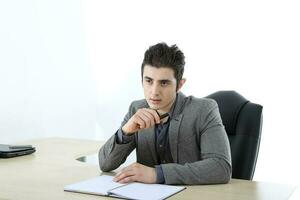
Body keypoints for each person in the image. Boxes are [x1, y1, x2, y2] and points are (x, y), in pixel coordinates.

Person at [99, 42, 232, 185]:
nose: (154, 91)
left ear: (180, 84)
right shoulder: (136, 108)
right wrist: (126, 131)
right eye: (149, 81)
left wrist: (157, 174)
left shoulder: (204, 110)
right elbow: (105, 164)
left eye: (163, 83)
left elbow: (221, 167)